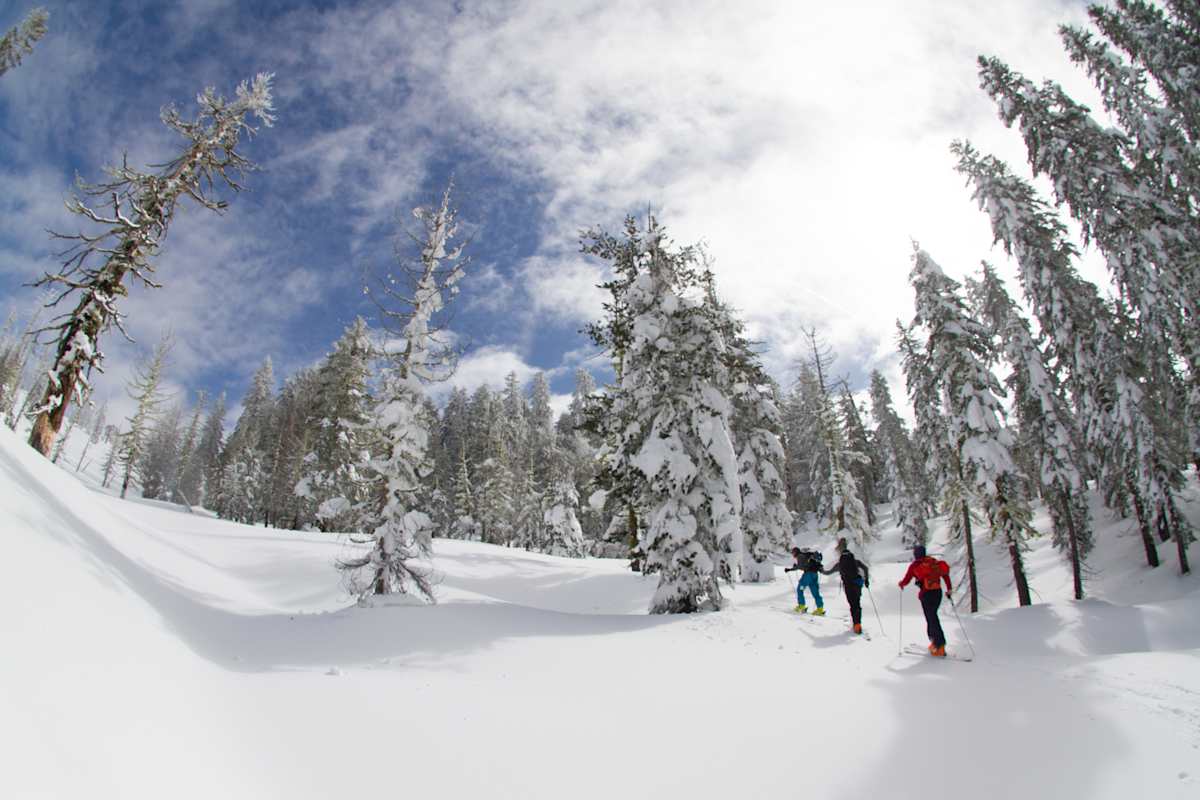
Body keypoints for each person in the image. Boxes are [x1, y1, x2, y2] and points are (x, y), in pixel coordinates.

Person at [898, 544, 952, 657]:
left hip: (926, 595)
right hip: (938, 593)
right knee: (932, 617)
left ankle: (939, 645)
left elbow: (907, 579)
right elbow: (945, 575)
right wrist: (949, 589)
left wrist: (901, 584)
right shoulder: (933, 562)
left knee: (931, 618)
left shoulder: (915, 565)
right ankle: (935, 643)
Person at [823, 537, 870, 634]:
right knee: (857, 604)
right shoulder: (855, 561)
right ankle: (857, 623)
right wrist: (866, 580)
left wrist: (820, 569)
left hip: (848, 587)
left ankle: (856, 624)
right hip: (857, 584)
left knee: (853, 605)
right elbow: (865, 568)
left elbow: (828, 572)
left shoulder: (840, 564)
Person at [784, 546, 825, 616]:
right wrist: (795, 566)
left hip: (808, 575)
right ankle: (820, 609)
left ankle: (801, 606)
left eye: (793, 553)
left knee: (800, 589)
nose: (793, 554)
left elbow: (800, 566)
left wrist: (790, 569)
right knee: (815, 592)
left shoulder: (800, 556)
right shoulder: (805, 556)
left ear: (796, 552)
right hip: (815, 574)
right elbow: (803, 565)